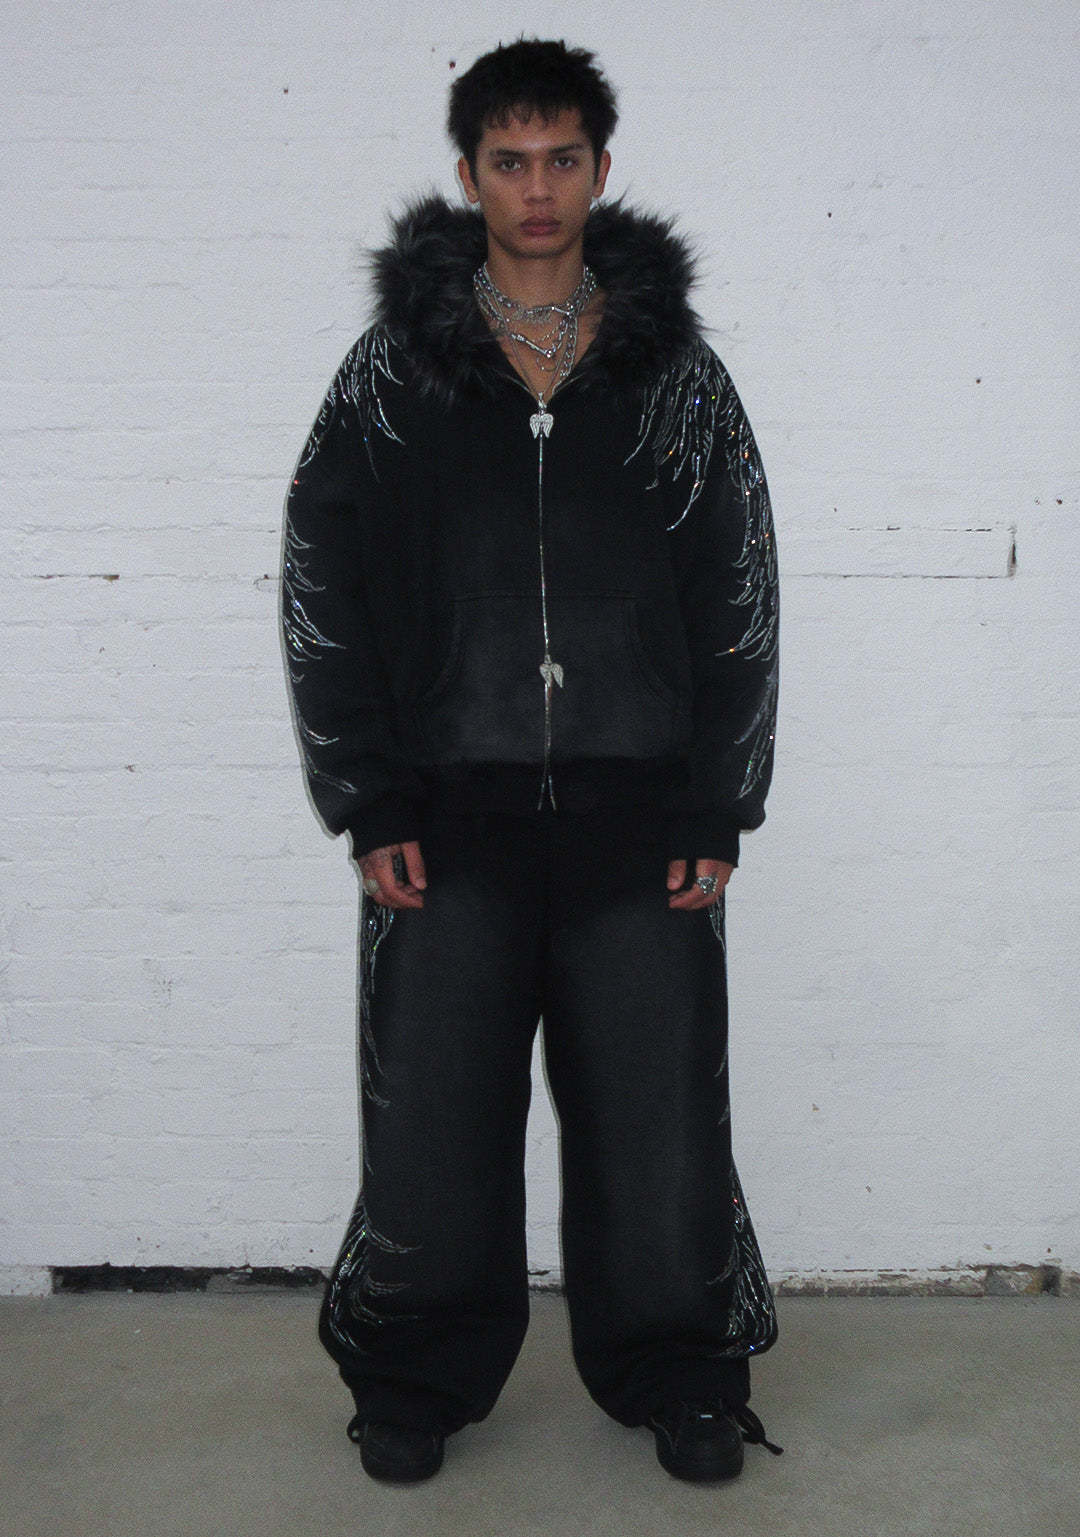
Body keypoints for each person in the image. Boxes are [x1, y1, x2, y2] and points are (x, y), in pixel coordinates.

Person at [282, 38, 782, 1485]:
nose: (539, 187)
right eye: (510, 161)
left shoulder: (674, 374)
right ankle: (414, 1377)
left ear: (601, 170)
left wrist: (717, 803)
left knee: (659, 1120)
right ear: (470, 177)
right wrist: (369, 792)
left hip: (641, 817)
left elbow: (738, 590)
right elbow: (324, 584)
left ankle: (683, 1372)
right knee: (432, 1121)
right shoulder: (397, 375)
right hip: (449, 817)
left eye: (564, 158)